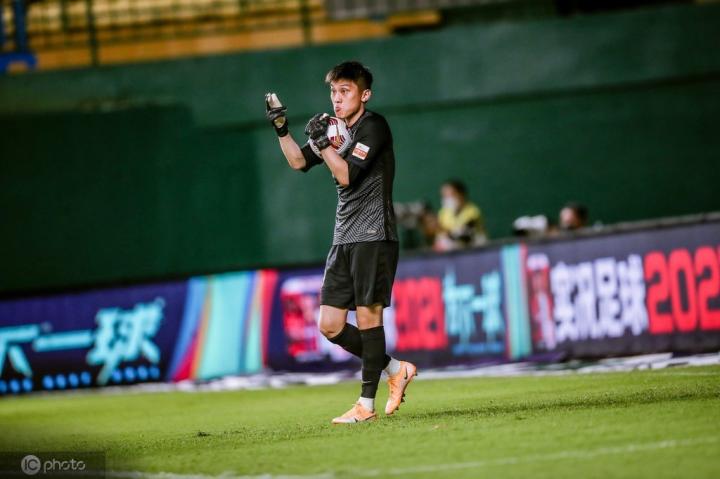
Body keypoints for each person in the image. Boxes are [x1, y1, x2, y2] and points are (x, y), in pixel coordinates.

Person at [265, 61, 417, 424]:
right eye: (333, 91)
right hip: (343, 238)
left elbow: (347, 175)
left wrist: (323, 143)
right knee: (330, 324)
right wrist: (282, 128)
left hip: (373, 235)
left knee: (368, 317)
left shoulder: (373, 126)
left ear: (365, 95)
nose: (337, 98)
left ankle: (366, 405)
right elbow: (299, 162)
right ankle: (395, 369)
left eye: (345, 91)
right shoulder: (334, 130)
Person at [434, 179, 487, 251]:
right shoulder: (443, 213)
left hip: (475, 250)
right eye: (444, 196)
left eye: (450, 195)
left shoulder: (472, 211)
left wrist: (443, 231)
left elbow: (464, 237)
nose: (447, 199)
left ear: (461, 194)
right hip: (452, 253)